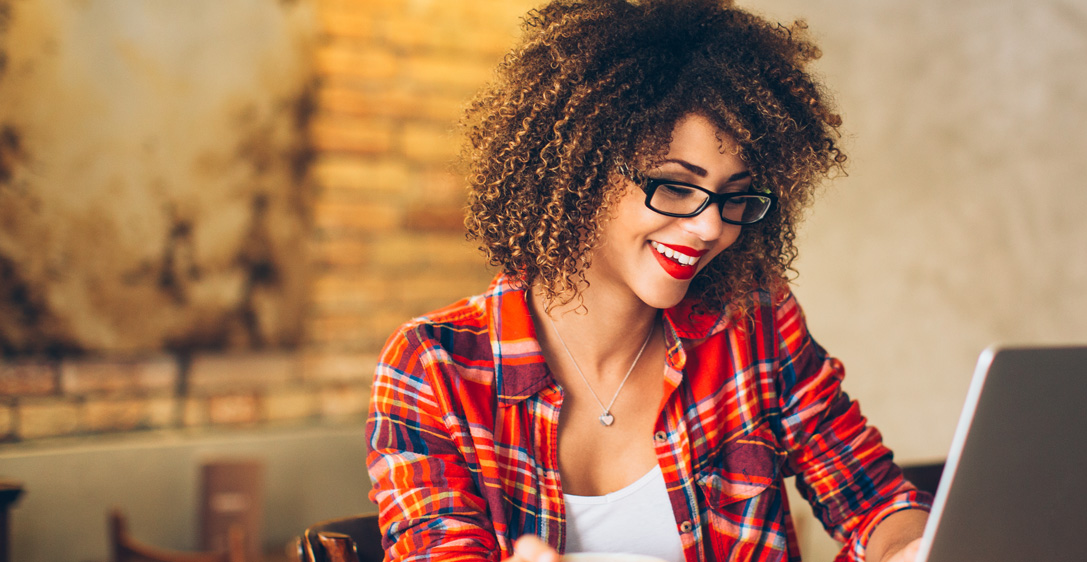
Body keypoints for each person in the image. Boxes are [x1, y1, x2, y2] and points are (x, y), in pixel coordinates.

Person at [366, 1, 931, 561]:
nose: (711, 226)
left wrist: (910, 548)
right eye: (675, 186)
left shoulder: (753, 322)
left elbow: (875, 499)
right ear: (580, 168)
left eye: (735, 195)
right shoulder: (434, 367)